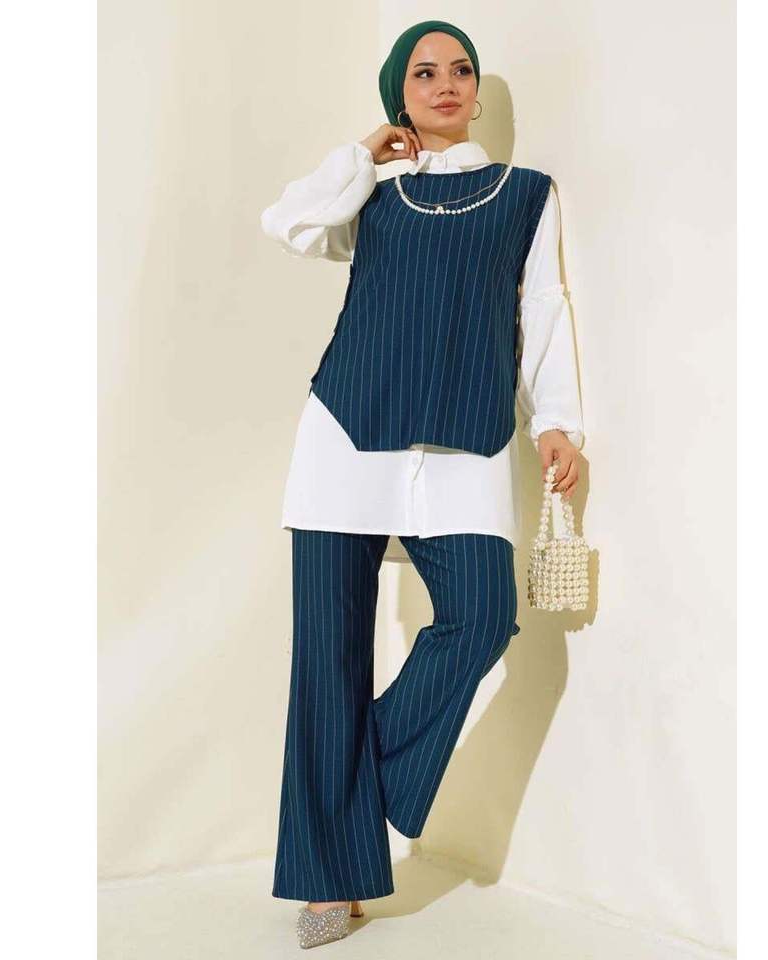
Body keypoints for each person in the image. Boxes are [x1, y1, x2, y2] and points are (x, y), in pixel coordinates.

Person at [260, 20, 585, 949]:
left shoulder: (527, 195)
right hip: (343, 438)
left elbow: (542, 307)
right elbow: (286, 222)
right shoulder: (369, 193)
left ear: (477, 92)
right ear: (398, 95)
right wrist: (363, 154)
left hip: (465, 443)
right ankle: (333, 883)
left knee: (481, 616)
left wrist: (558, 420)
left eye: (461, 70)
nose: (446, 83)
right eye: (423, 73)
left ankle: (346, 799)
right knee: (327, 660)